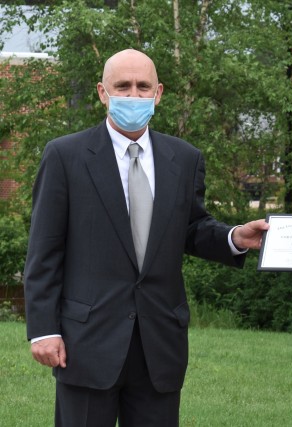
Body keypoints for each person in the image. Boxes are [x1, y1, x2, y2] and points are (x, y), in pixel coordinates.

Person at [24, 48, 269, 427]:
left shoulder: (184, 159)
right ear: (102, 93)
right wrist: (43, 329)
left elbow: (191, 228)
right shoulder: (65, 156)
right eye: (122, 86)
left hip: (159, 343)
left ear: (159, 93)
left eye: (143, 86)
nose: (133, 95)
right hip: (86, 343)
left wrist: (235, 237)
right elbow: (44, 250)